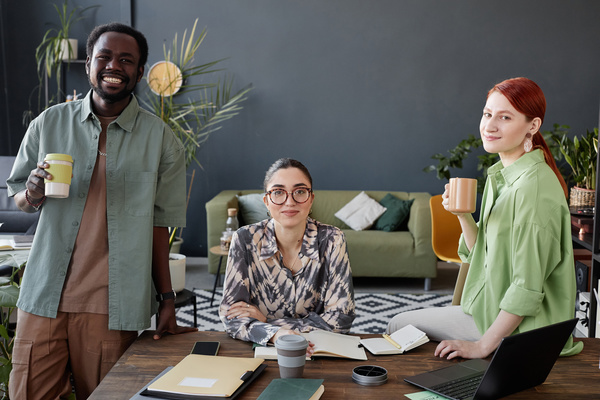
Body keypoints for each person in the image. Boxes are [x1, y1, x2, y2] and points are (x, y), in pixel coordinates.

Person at [6, 23, 197, 399]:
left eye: (127, 60)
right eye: (105, 57)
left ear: (140, 72)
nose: (115, 66)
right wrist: (32, 192)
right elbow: (19, 199)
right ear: (89, 65)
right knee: (27, 393)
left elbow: (160, 227)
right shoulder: (49, 123)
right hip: (44, 294)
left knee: (109, 395)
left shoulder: (162, 141)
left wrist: (167, 298)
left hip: (113, 304)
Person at [387, 77, 583, 359]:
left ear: (533, 125)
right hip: (487, 308)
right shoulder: (501, 176)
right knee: (405, 327)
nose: (490, 126)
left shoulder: (533, 191)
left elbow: (526, 287)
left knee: (398, 325)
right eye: (487, 114)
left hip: (525, 332)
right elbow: (479, 255)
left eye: (505, 117)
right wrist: (464, 216)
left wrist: (481, 346)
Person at [219, 158, 355, 352]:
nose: (290, 202)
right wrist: (277, 335)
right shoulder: (244, 239)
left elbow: (342, 319)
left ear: (311, 199)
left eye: (300, 191)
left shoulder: (333, 239)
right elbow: (231, 316)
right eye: (278, 192)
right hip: (261, 351)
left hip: (319, 352)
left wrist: (269, 324)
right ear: (266, 200)